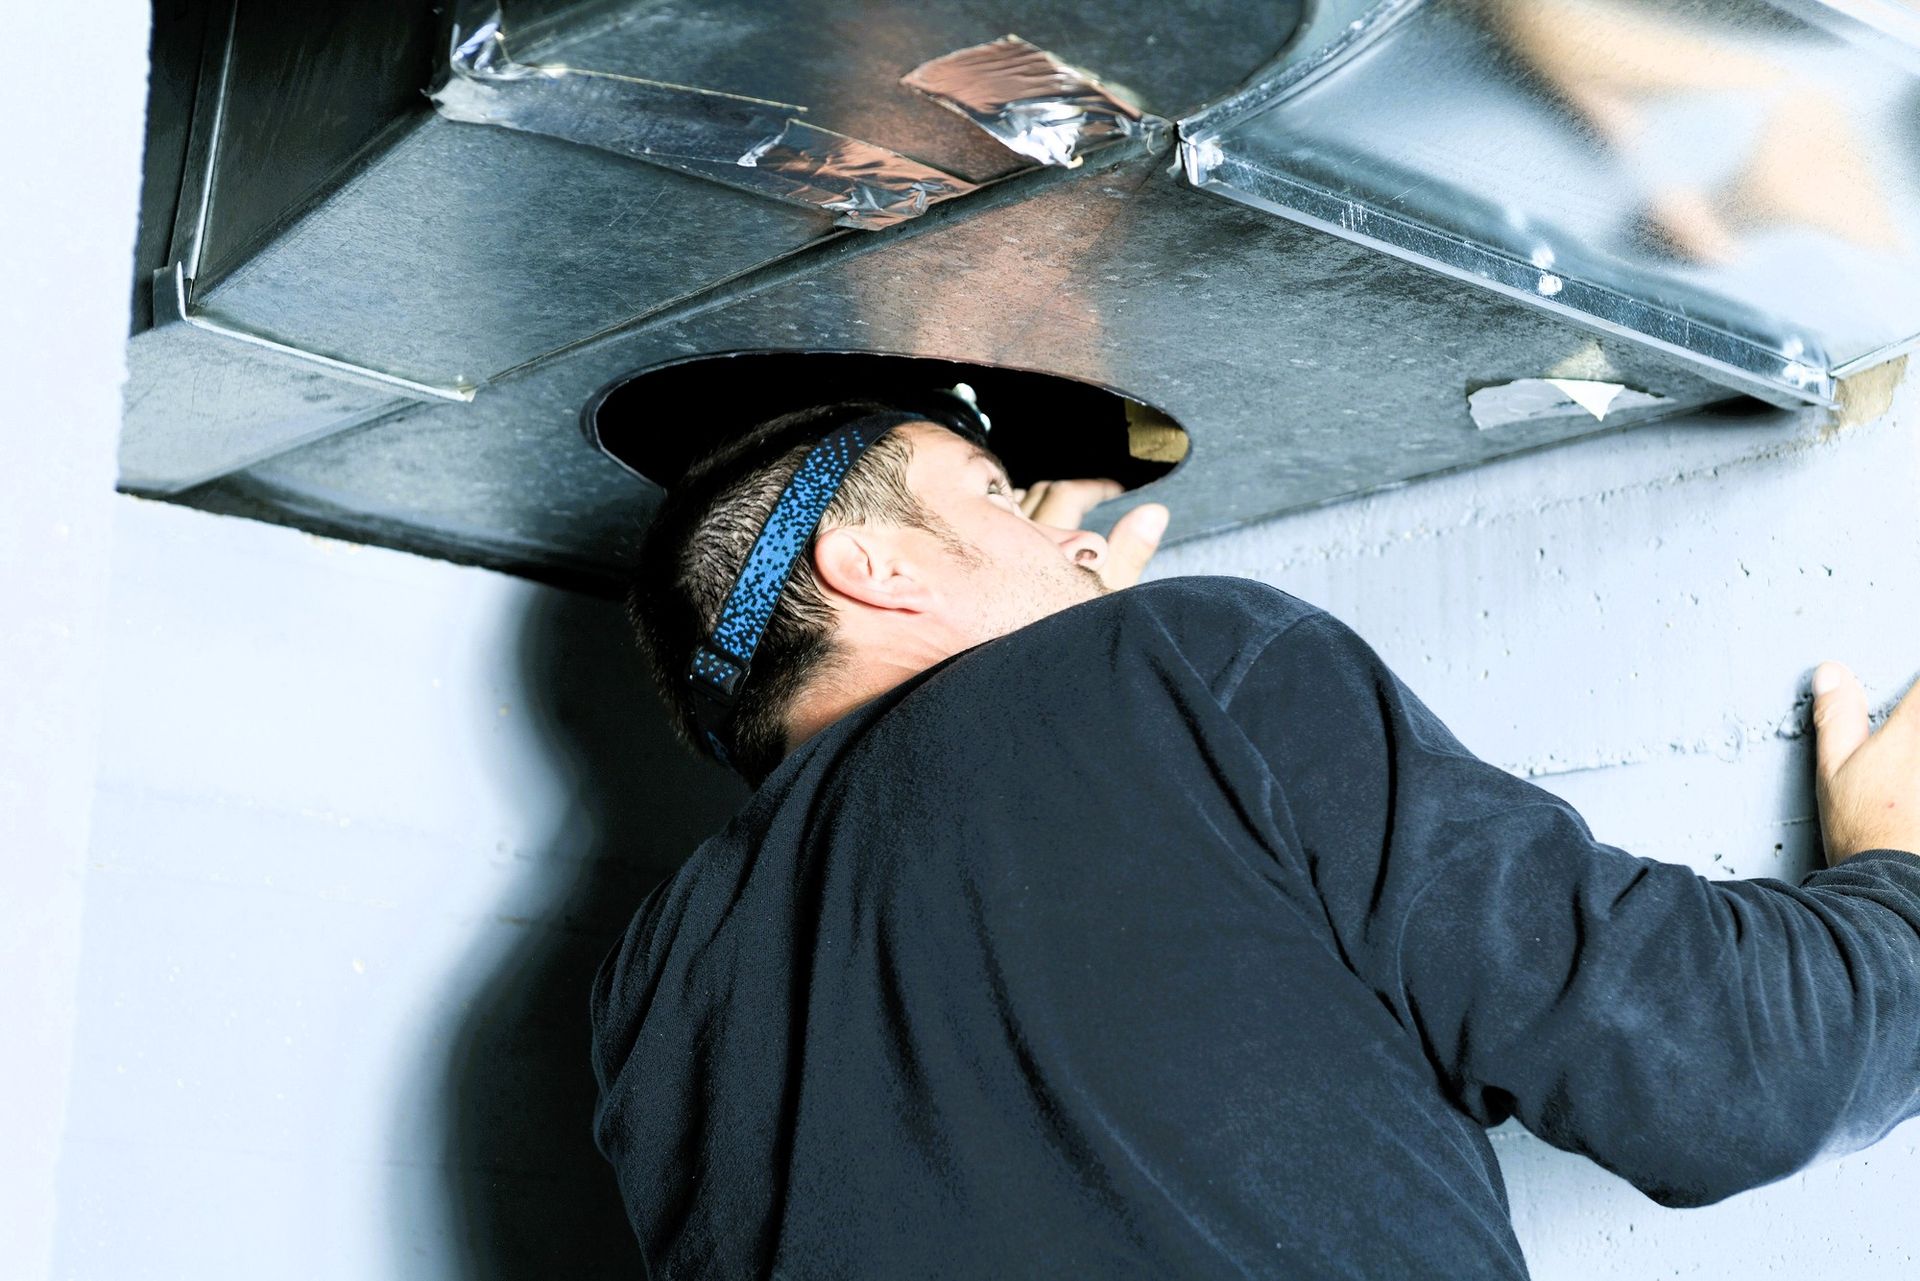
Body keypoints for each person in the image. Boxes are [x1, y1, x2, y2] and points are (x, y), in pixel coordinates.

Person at [590, 398, 1920, 1278]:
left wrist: (1040, 627)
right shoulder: (1168, 663)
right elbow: (1729, 1068)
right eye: (998, 490)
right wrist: (1898, 885)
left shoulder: (649, 991)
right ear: (871, 567)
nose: (1069, 533)